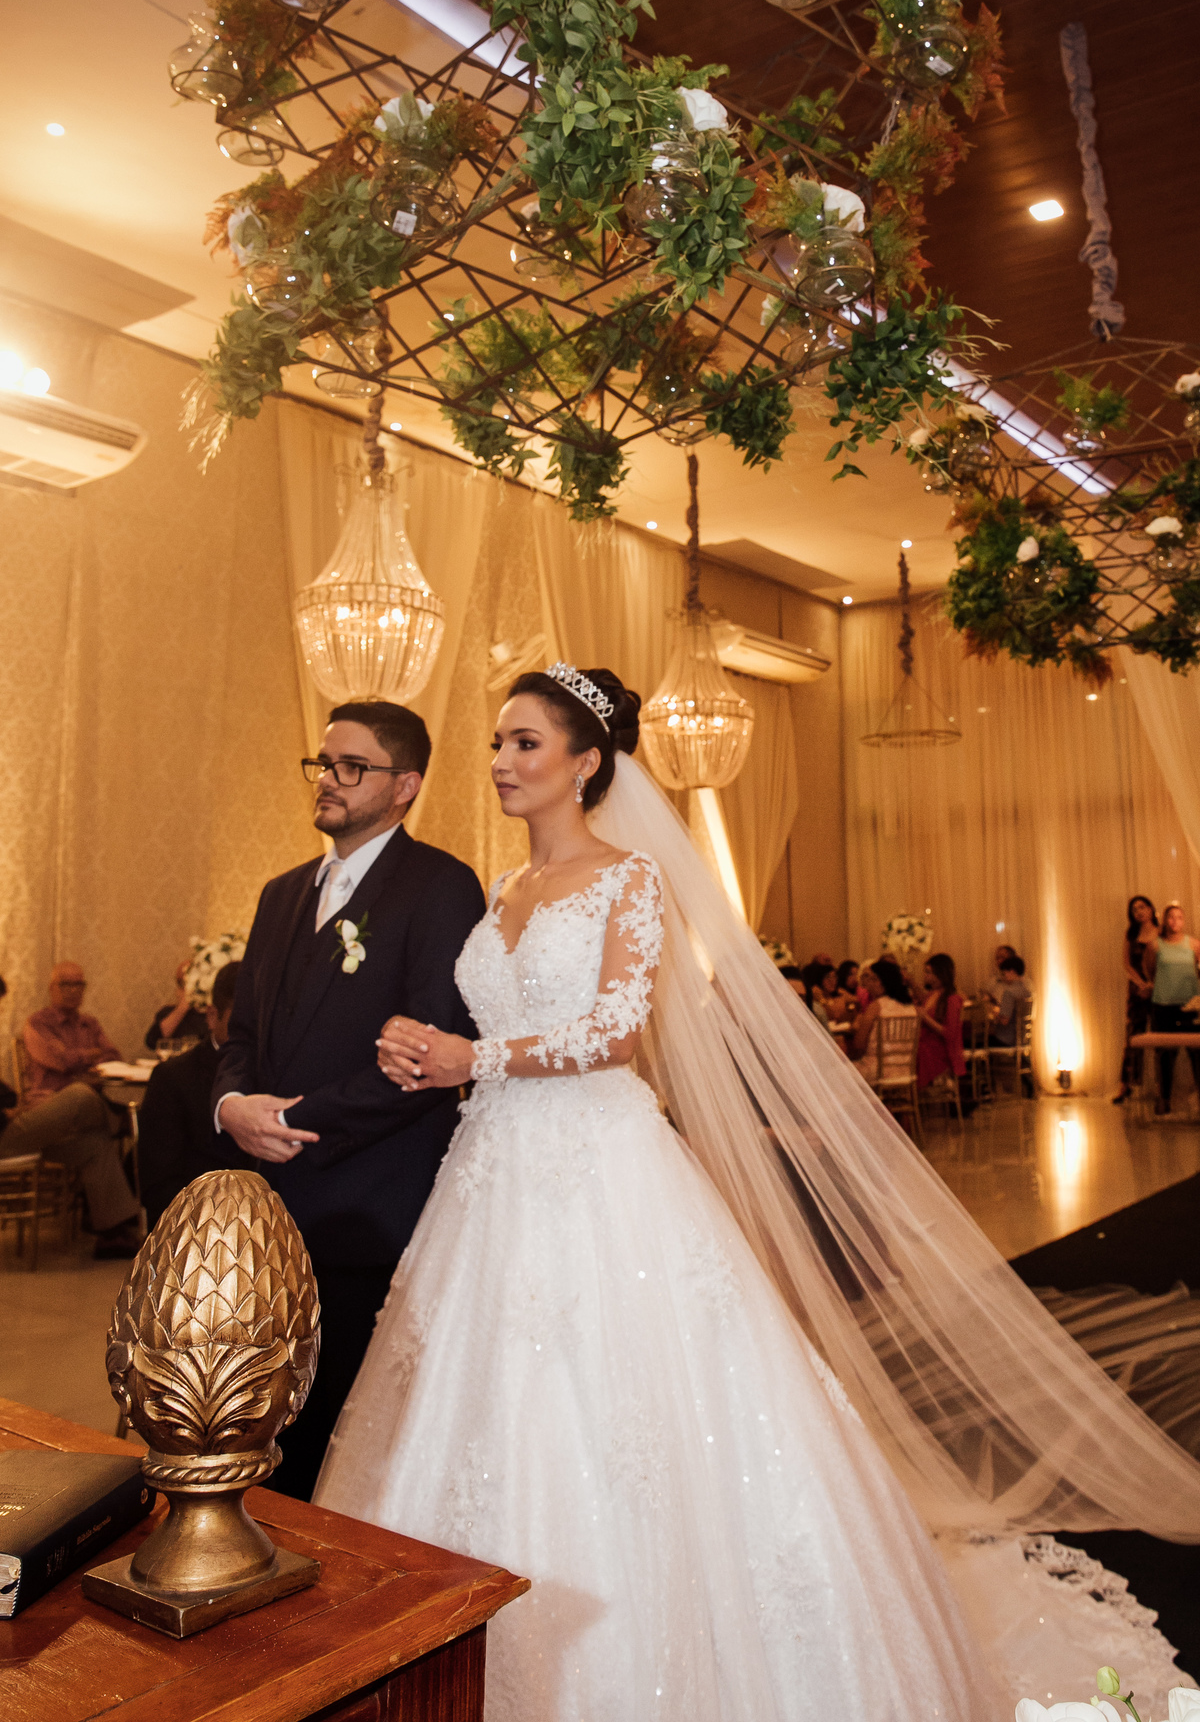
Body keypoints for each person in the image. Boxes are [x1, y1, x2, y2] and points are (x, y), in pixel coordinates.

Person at [315, 664, 1200, 1719]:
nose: (502, 762)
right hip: (491, 1173)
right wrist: (429, 1051)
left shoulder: (628, 879)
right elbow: (494, 1028)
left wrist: (479, 1058)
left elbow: (616, 1031)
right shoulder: (503, 890)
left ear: (585, 763)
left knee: (629, 1400)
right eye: (498, 744)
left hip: (599, 1168)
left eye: (525, 743)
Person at [213, 699, 485, 1501]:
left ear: (405, 786)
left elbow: (424, 1059)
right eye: (323, 764)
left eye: (351, 767)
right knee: (261, 1422)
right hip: (267, 1210)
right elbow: (240, 1036)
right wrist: (232, 1107)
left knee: (343, 1436)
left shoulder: (441, 887)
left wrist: (291, 1120)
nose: (327, 780)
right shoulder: (281, 894)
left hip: (371, 1204)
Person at [2, 963, 141, 1257]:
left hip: (41, 1125)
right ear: (52, 988)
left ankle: (112, 1235)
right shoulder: (38, 1023)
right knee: (80, 1094)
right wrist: (13, 1108)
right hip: (11, 1132)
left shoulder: (89, 1023)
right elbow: (59, 1060)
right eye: (66, 984)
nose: (73, 991)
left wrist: (12, 1104)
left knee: (96, 1144)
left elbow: (112, 1056)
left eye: (78, 984)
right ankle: (123, 1121)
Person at [139, 961, 250, 1229]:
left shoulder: (283, 1074)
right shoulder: (174, 1078)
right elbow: (159, 1186)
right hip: (198, 1227)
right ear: (212, 1016)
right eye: (244, 1020)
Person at [1142, 902, 1200, 1116]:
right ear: (1165, 921)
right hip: (1163, 1005)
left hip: (1190, 1005)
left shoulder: (1193, 944)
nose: (1175, 921)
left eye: (1179, 917)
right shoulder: (1155, 946)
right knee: (1165, 1054)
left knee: (1197, 1053)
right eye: (1171, 917)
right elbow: (1149, 970)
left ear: (1184, 921)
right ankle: (1164, 1099)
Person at [1115, 895, 1159, 1103]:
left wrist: (1153, 984)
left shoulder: (1161, 932)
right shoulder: (1131, 934)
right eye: (1134, 910)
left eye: (1142, 907)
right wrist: (1141, 984)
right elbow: (1126, 964)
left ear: (1150, 908)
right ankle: (1125, 1085)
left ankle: (1161, 1087)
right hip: (1137, 990)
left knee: (1159, 1035)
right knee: (1132, 1037)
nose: (1139, 912)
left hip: (1160, 988)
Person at [848, 956, 915, 1081]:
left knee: (835, 1073)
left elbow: (859, 1044)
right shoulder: (911, 1007)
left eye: (873, 979)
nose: (869, 983)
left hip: (878, 1069)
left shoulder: (876, 1007)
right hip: (906, 1069)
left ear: (882, 982)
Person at [917, 952, 966, 1091]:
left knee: (919, 1051)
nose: (925, 976)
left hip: (940, 1048)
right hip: (926, 1043)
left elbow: (950, 1034)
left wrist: (925, 1018)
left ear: (940, 974)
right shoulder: (930, 995)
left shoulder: (952, 999)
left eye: (928, 972)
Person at [144, 960, 209, 1053]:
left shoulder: (212, 1014)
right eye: (183, 983)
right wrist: (182, 1008)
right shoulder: (167, 1012)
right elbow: (152, 1042)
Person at [988, 954, 1029, 1047]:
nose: (1003, 977)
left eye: (1004, 973)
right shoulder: (1026, 991)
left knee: (972, 1041)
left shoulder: (1009, 993)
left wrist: (994, 1013)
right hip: (1023, 1038)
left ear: (1012, 972)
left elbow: (1004, 1021)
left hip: (1005, 1039)